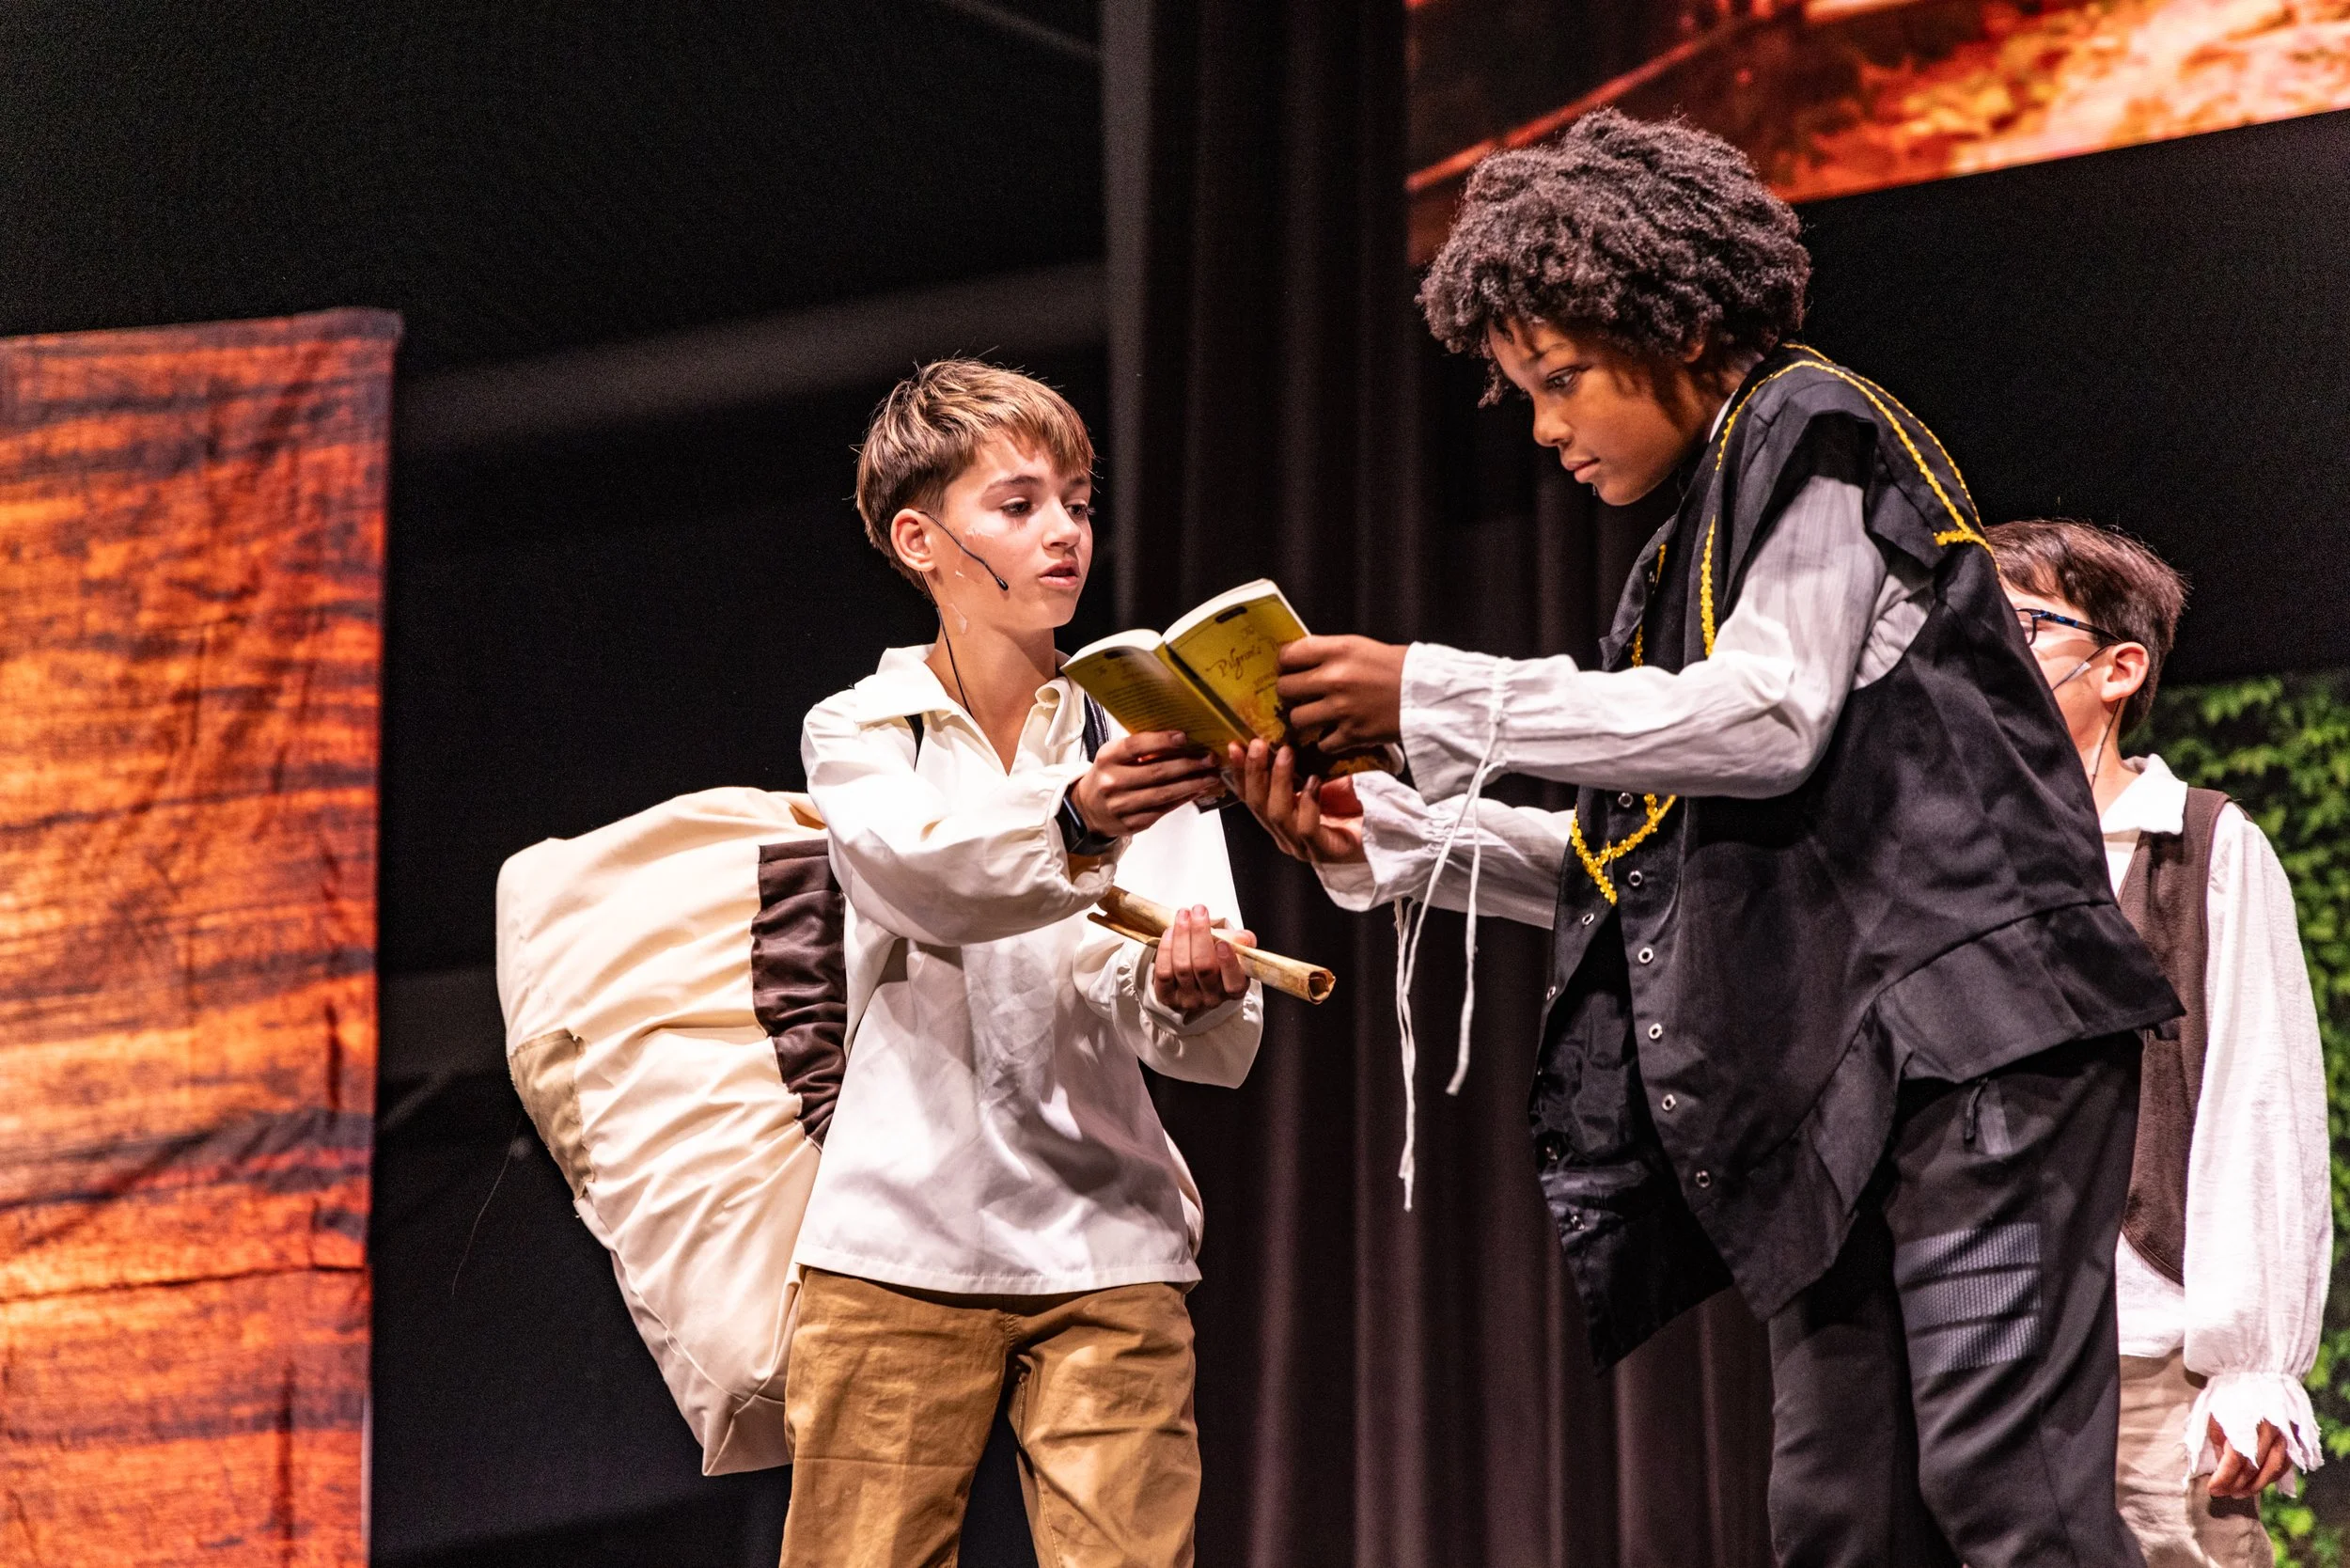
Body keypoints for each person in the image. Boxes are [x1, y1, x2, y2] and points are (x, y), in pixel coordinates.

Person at [1230, 110, 2179, 1566]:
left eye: (1561, 380)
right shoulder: (1680, 555)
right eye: (1524, 394)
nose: (1544, 427)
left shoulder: (1812, 424)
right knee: (1839, 1520)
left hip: (1977, 1044)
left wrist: (1428, 686)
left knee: (2007, 1497)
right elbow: (1647, 868)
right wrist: (1392, 841)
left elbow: (1765, 720)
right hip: (1848, 1088)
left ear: (1666, 322)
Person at [787, 359, 1261, 1568]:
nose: (1064, 532)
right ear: (920, 539)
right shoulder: (859, 729)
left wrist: (1189, 987)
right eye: (1018, 504)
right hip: (898, 1241)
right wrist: (1078, 823)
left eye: (1079, 502)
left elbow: (1180, 1014)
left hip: (1109, 1235)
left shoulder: (1139, 727)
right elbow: (916, 873)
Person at [1989, 518, 2328, 1567]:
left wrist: (2250, 1366)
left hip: (2145, 1361)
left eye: (2019, 627)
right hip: (1978, 1361)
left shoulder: (2199, 847)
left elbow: (2258, 1102)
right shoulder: (1942, 857)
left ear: (2117, 668)